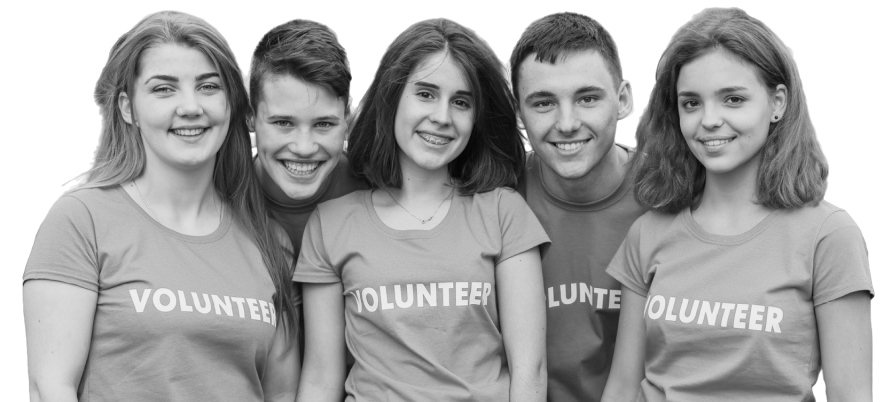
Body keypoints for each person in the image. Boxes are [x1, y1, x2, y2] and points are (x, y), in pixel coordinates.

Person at [23, 11, 299, 402]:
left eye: (208, 87)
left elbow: (283, 395)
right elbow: (50, 388)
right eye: (164, 89)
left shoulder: (270, 240)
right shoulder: (81, 220)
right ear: (127, 108)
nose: (190, 107)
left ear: (232, 104)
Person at [602, 7, 873, 402]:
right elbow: (624, 388)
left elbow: (851, 396)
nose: (709, 120)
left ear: (777, 102)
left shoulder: (829, 237)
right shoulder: (649, 232)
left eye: (733, 99)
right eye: (691, 103)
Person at [295, 17, 550, 402]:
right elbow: (320, 378)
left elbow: (529, 372)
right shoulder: (331, 223)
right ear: (393, 96)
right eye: (426, 94)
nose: (442, 117)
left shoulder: (503, 212)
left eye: (461, 102)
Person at [506, 11, 645, 402]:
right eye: (544, 102)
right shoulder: (497, 195)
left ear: (623, 99)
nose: (567, 123)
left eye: (587, 98)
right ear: (517, 111)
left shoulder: (668, 195)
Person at [246, 18, 366, 255]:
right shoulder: (223, 199)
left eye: (323, 124)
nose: (304, 148)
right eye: (283, 123)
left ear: (346, 117)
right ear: (251, 116)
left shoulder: (375, 190)